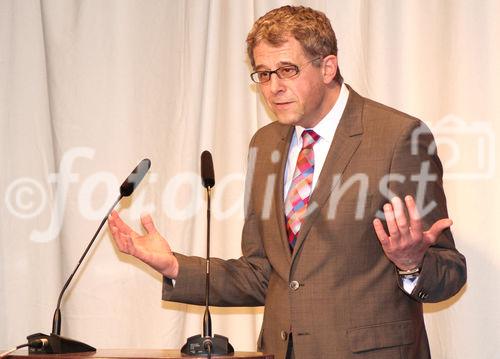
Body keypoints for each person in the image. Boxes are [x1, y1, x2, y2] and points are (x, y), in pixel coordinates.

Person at [108, 5, 466, 359]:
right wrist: (172, 265)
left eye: (287, 70)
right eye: (263, 74)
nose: (273, 87)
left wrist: (411, 263)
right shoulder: (264, 145)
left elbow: (449, 270)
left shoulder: (398, 137)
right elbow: (263, 273)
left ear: (328, 67)